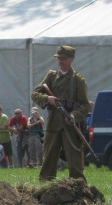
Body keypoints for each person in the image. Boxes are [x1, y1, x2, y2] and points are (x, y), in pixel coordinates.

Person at [32, 45, 90, 181]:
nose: (60, 61)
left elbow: (85, 105)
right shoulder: (51, 76)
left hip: (70, 125)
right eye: (59, 58)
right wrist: (48, 99)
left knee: (74, 162)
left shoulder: (78, 80)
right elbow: (35, 94)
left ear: (71, 59)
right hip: (53, 123)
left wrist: (74, 116)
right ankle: (45, 188)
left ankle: (79, 188)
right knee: (48, 160)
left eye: (63, 58)